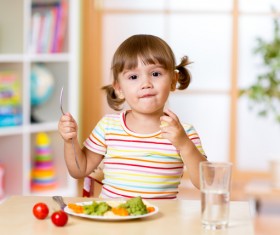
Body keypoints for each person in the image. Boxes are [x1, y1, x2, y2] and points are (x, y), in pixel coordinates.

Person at [58, 34, 207, 199]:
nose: (146, 84)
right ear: (119, 88)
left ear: (173, 80)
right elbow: (79, 170)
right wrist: (70, 141)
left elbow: (206, 183)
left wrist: (184, 144)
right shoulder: (108, 126)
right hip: (114, 217)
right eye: (133, 77)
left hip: (160, 222)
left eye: (155, 74)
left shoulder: (183, 132)